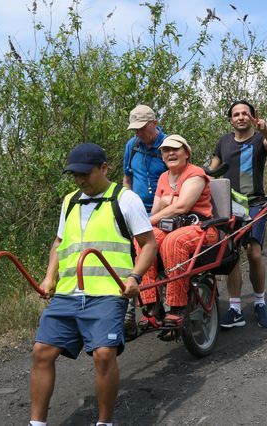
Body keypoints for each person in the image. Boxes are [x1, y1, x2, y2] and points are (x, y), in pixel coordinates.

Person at [29, 143, 157, 426]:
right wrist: (50, 276)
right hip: (68, 293)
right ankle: (36, 423)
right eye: (74, 175)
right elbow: (60, 242)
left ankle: (104, 422)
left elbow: (149, 244)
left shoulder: (125, 199)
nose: (79, 181)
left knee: (103, 355)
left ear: (103, 168)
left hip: (108, 293)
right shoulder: (70, 201)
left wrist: (134, 277)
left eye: (84, 174)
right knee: (42, 351)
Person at [209, 100, 267, 329]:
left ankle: (260, 302)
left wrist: (265, 129)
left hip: (255, 203)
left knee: (254, 253)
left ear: (251, 117)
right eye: (236, 114)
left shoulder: (259, 139)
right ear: (230, 119)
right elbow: (213, 170)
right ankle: (235, 308)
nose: (240, 117)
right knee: (230, 257)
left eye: (245, 113)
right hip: (227, 206)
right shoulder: (224, 142)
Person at [136, 134, 218, 326]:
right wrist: (164, 203)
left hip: (201, 228)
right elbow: (157, 208)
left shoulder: (195, 174)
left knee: (174, 241)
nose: (170, 153)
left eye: (175, 149)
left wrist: (154, 216)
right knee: (144, 239)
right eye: (166, 150)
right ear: (162, 156)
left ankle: (177, 307)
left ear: (186, 153)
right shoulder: (164, 177)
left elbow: (182, 207)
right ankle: (151, 306)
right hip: (170, 227)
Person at [122, 104, 167, 339]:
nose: (138, 133)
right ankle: (129, 313)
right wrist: (125, 204)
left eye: (142, 128)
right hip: (137, 212)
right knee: (127, 256)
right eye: (135, 129)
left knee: (158, 254)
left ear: (154, 123)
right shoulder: (132, 146)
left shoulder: (169, 145)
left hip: (164, 211)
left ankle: (165, 303)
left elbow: (179, 177)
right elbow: (127, 179)